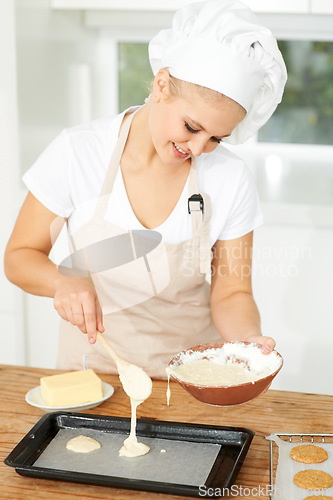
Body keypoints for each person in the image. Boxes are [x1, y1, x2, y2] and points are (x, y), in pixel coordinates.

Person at [4, 0, 287, 378]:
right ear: (161, 84)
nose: (198, 149)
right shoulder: (78, 152)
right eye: (191, 127)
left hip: (189, 377)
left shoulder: (229, 178)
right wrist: (61, 281)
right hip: (94, 375)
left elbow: (232, 292)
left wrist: (249, 339)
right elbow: (20, 256)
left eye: (217, 138)